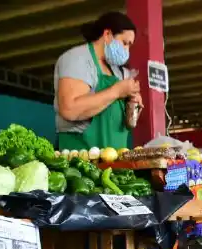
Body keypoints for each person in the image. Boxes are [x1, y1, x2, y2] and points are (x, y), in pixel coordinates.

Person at [54, 12, 142, 151]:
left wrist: (133, 105)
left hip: (115, 156)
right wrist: (117, 91)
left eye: (129, 46)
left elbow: (126, 123)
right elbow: (69, 109)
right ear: (107, 34)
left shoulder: (119, 72)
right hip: (82, 155)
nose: (126, 50)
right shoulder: (77, 59)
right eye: (124, 43)